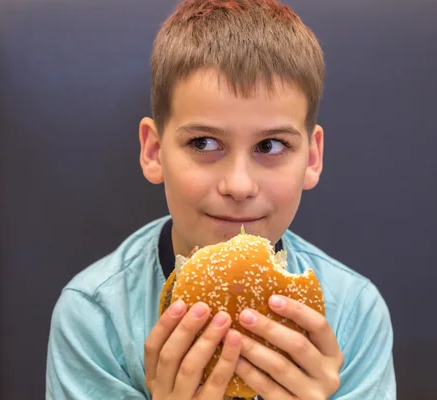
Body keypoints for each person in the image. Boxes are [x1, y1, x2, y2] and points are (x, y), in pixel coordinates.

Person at [46, 0, 396, 399]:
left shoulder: (353, 314)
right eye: (204, 142)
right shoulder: (95, 317)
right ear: (154, 152)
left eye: (270, 145)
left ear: (312, 159)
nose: (239, 185)